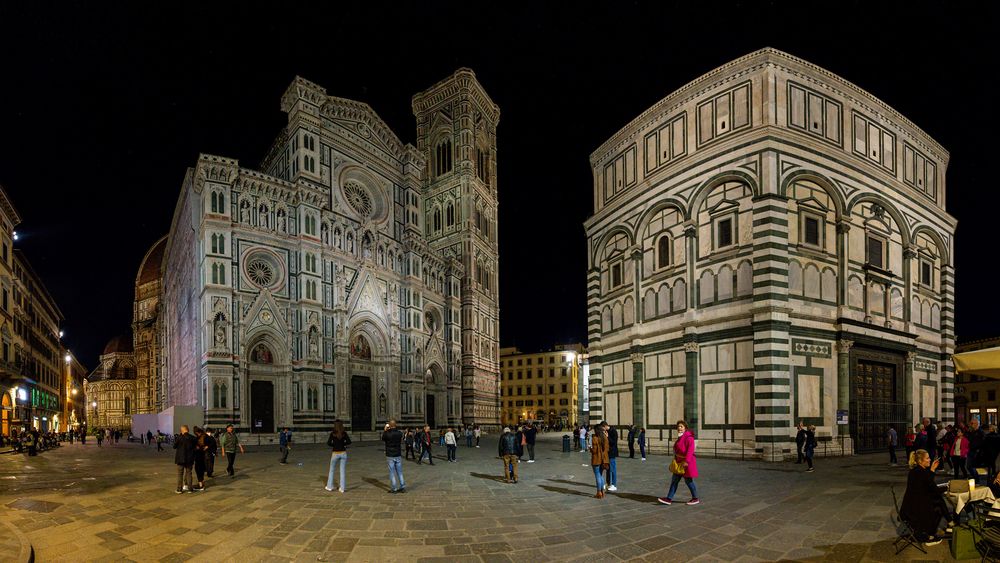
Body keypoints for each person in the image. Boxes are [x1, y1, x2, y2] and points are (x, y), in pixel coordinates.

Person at [900, 449, 951, 546]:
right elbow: (932, 488)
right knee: (938, 507)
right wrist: (947, 487)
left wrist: (932, 470)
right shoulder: (920, 472)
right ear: (920, 461)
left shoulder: (917, 470)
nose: (930, 459)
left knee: (938, 500)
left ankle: (950, 522)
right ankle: (930, 536)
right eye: (927, 458)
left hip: (911, 506)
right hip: (914, 511)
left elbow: (928, 485)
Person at [658, 420, 699, 505]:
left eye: (681, 426)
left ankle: (695, 498)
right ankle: (669, 499)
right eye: (678, 427)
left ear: (685, 428)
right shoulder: (681, 437)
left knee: (689, 481)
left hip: (686, 463)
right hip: (679, 463)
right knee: (674, 480)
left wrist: (686, 461)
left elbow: (690, 451)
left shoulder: (689, 438)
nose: (679, 428)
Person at [326, 420, 352, 493]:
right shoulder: (344, 433)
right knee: (342, 471)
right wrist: (344, 445)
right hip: (343, 453)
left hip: (335, 453)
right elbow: (349, 442)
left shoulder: (333, 434)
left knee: (331, 470)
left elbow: (328, 443)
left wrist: (334, 445)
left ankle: (329, 486)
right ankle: (342, 488)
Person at [381, 419, 405, 493]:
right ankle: (402, 486)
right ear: (395, 425)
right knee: (400, 472)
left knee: (392, 472)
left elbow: (383, 438)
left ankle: (394, 488)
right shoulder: (399, 433)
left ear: (390, 425)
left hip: (390, 455)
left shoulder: (387, 433)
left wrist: (385, 430)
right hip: (398, 454)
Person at [173, 425, 197, 494]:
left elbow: (174, 446)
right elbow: (196, 447)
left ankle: (179, 489)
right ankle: (190, 489)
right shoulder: (193, 438)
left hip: (180, 459)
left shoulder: (179, 437)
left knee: (180, 474)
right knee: (189, 473)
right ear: (188, 430)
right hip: (189, 459)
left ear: (182, 430)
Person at [590, 424, 609, 499]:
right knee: (601, 475)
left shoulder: (595, 438)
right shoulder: (605, 437)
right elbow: (607, 449)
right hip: (604, 459)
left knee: (597, 475)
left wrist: (590, 448)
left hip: (596, 459)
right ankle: (602, 491)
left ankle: (599, 492)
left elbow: (594, 450)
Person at [603, 421, 618, 491]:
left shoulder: (613, 431)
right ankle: (608, 483)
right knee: (608, 469)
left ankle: (614, 485)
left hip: (612, 453)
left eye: (603, 428)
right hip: (607, 453)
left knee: (613, 469)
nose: (603, 429)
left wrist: (607, 437)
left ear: (605, 426)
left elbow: (613, 443)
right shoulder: (607, 431)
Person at [192, 427, 208, 491]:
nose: (196, 434)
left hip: (199, 457)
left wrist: (197, 448)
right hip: (203, 456)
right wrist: (207, 447)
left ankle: (200, 485)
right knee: (201, 470)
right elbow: (212, 442)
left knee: (198, 470)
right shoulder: (205, 436)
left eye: (196, 433)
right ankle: (202, 483)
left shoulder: (199, 438)